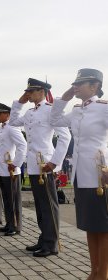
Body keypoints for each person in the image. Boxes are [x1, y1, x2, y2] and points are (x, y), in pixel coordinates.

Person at [50, 69, 108, 278]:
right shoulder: (76, 110)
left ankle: (103, 273)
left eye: (80, 83)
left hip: (100, 175)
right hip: (81, 175)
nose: (76, 86)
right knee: (90, 226)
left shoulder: (104, 109)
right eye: (75, 83)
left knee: (104, 226)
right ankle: (95, 271)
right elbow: (54, 120)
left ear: (94, 86)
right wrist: (63, 99)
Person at [10, 78, 71, 257]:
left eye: (32, 91)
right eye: (28, 91)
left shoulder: (51, 110)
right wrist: (18, 103)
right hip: (34, 165)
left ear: (42, 92)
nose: (29, 94)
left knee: (49, 205)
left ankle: (52, 244)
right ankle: (44, 238)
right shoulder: (29, 113)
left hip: (46, 165)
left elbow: (65, 137)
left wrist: (54, 162)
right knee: (40, 204)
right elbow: (13, 122)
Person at [0, 103, 27, 236]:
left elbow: (22, 145)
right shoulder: (1, 128)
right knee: (6, 198)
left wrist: (16, 163)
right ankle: (9, 223)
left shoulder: (12, 128)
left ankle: (16, 226)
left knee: (13, 200)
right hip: (2, 169)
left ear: (7, 114)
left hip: (11, 170)